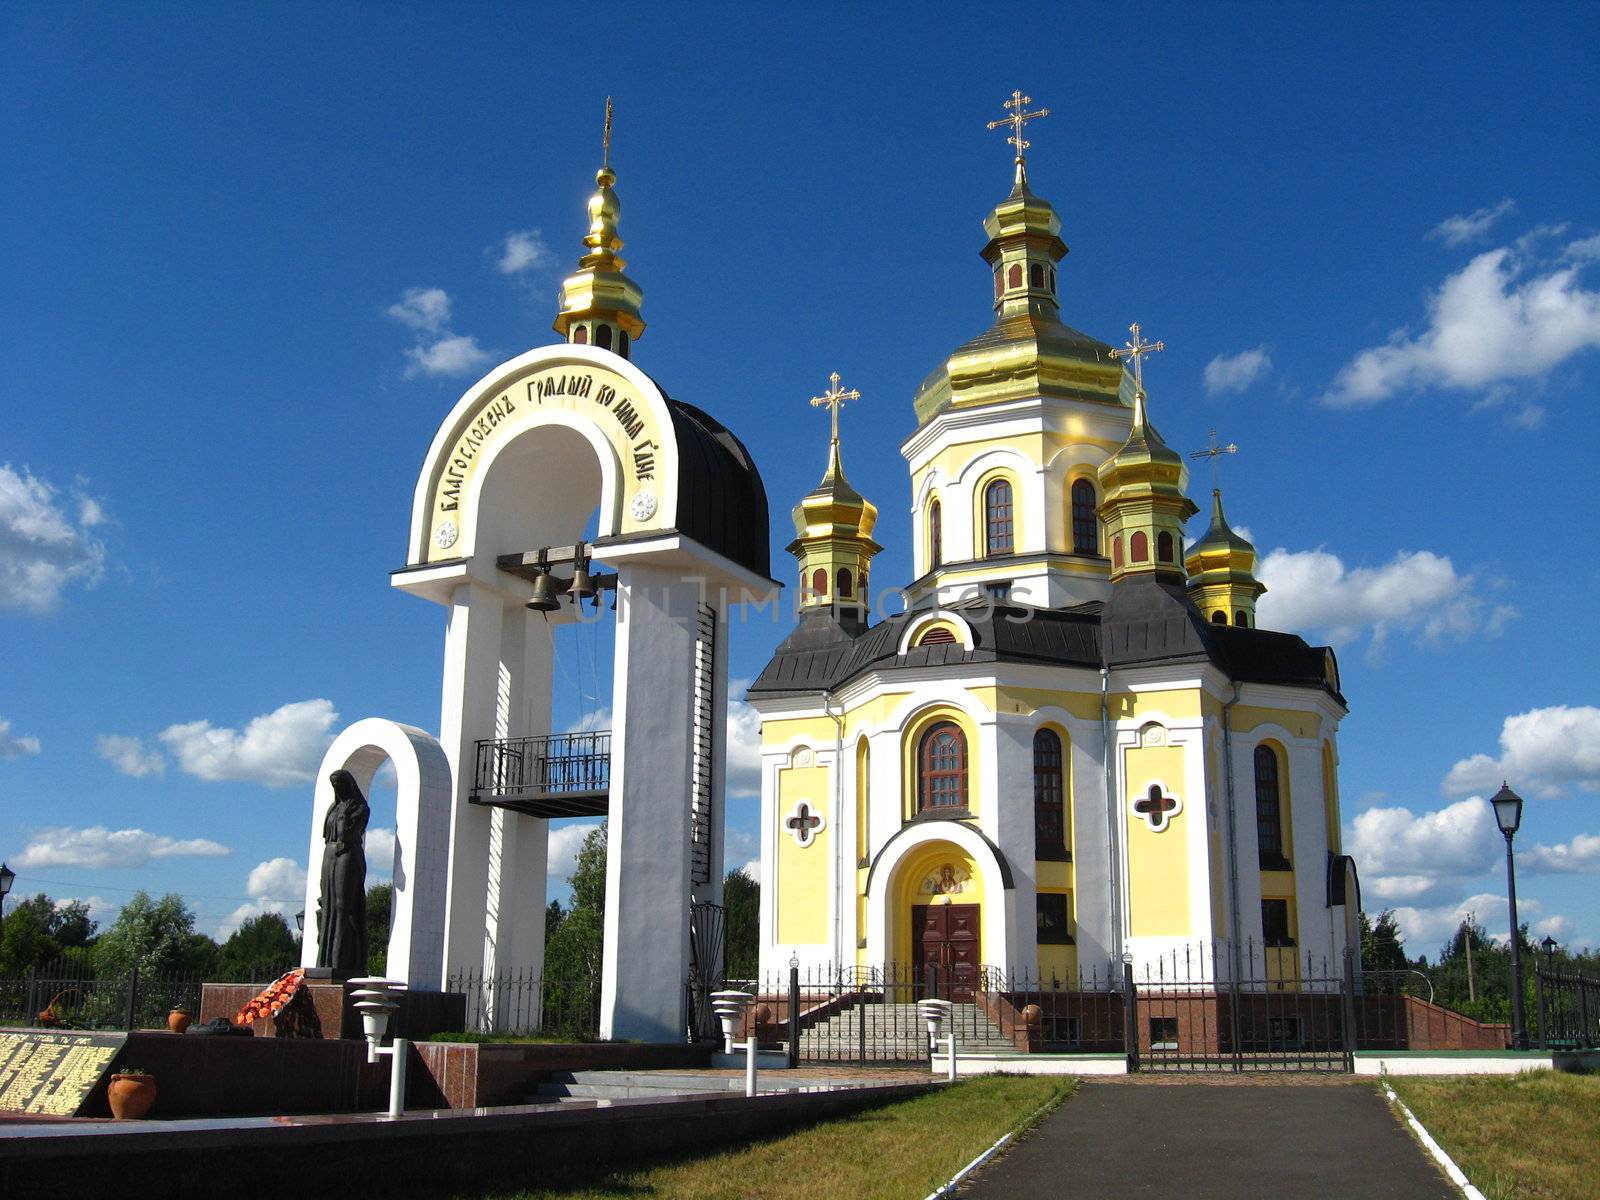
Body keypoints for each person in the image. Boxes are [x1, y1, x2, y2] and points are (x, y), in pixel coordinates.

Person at [316, 769, 369, 977]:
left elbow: (349, 833)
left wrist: (345, 816)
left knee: (342, 905)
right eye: (333, 785)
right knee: (328, 905)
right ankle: (326, 960)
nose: (336, 789)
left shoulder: (359, 807)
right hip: (329, 853)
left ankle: (342, 958)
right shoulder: (334, 807)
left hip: (347, 852)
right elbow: (325, 834)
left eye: (339, 784)